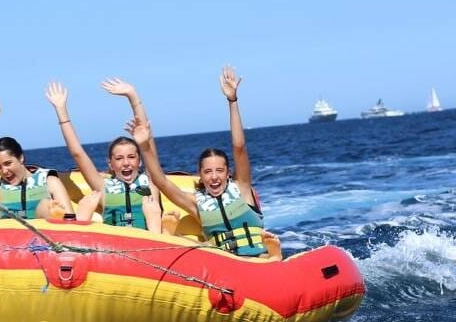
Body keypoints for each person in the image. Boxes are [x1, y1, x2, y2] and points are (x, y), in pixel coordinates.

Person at [130, 66, 282, 260]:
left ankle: (274, 255)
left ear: (228, 173)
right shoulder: (196, 203)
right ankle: (172, 236)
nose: (214, 176)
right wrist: (143, 145)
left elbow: (239, 147)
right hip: (224, 265)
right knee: (193, 246)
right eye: (208, 171)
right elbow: (160, 180)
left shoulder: (242, 188)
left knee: (263, 261)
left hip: (258, 257)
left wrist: (232, 100)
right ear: (200, 175)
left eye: (219, 170)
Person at [44, 79, 164, 233]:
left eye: (131, 157)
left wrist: (133, 96)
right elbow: (78, 154)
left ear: (140, 161)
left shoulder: (151, 181)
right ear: (110, 164)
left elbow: (147, 139)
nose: (126, 163)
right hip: (115, 250)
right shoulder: (103, 187)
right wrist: (61, 110)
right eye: (119, 159)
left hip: (151, 244)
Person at [0, 98, 74, 220]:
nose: (4, 171)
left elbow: (71, 219)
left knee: (45, 205)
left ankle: (51, 213)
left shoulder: (48, 181)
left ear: (21, 158)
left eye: (8, 163)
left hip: (42, 234)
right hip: (9, 236)